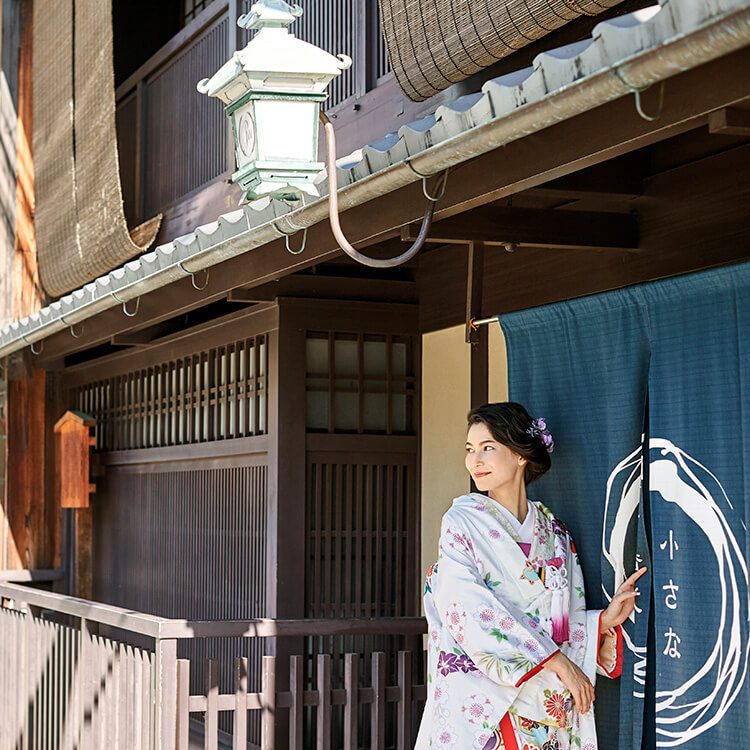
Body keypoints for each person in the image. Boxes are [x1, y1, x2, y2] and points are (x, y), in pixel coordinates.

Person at [414, 402, 646, 750]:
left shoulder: (555, 534)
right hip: (484, 704)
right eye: (470, 449)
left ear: (521, 455)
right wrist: (557, 662)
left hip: (542, 707)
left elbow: (559, 624)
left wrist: (601, 622)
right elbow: (466, 608)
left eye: (487, 448)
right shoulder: (462, 522)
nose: (475, 460)